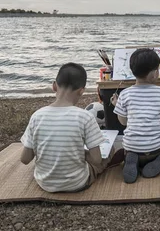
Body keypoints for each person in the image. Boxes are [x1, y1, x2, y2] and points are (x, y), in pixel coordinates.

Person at [20, 63, 123, 192]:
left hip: (44, 183)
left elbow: (25, 159)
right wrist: (79, 153)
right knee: (110, 150)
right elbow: (96, 160)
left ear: (54, 86)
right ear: (81, 91)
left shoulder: (37, 116)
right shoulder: (85, 117)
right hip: (77, 182)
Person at [112, 48, 160, 183]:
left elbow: (123, 122)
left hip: (132, 148)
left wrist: (117, 104)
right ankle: (159, 159)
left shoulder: (125, 94)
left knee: (130, 150)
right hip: (157, 148)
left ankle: (132, 159)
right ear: (154, 74)